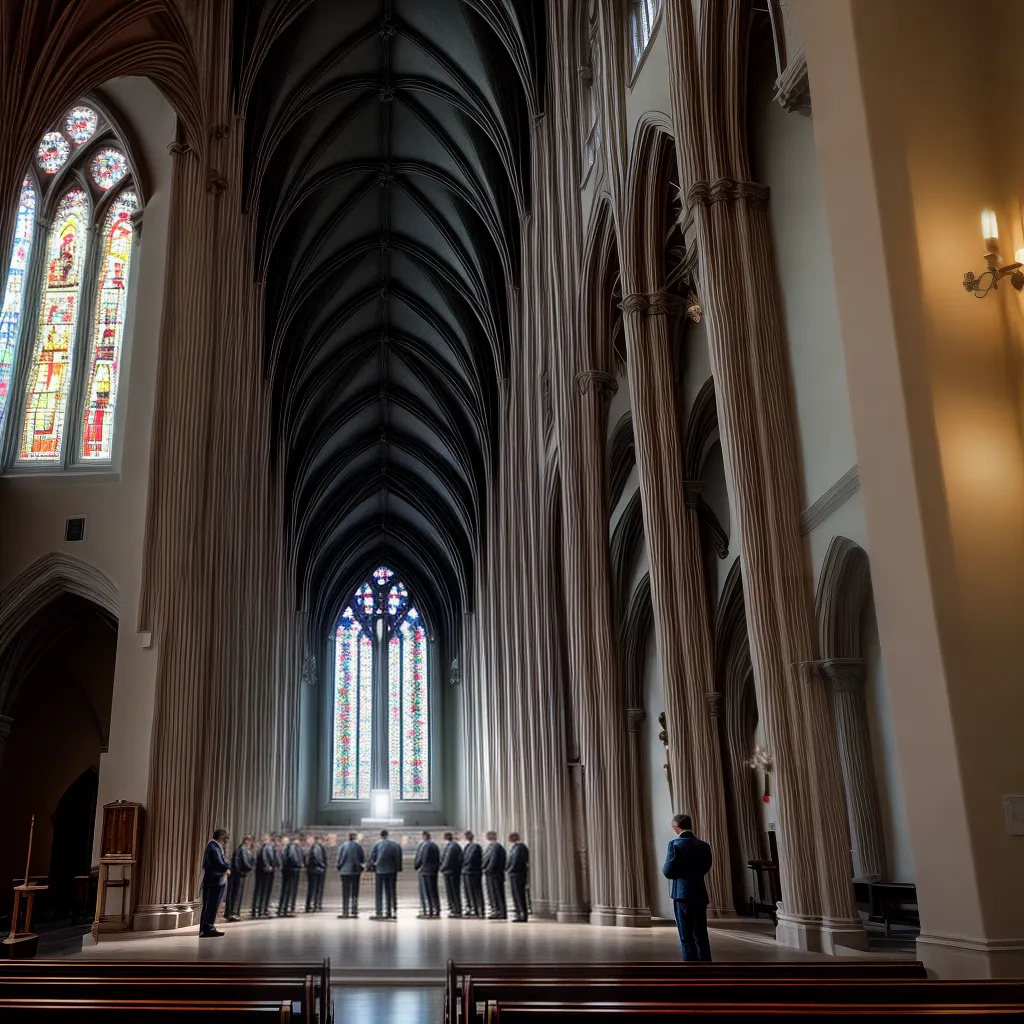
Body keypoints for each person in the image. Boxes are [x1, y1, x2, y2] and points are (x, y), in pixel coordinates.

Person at [662, 812, 713, 962]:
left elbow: (668, 871)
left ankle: (691, 969)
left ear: (676, 827)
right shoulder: (704, 845)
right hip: (699, 892)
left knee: (686, 936)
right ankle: (706, 966)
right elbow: (706, 867)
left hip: (682, 894)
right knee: (701, 934)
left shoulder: (675, 844)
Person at [199, 828, 230, 938]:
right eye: (226, 837)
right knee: (210, 906)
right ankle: (207, 928)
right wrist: (230, 865)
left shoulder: (215, 846)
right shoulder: (214, 846)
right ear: (222, 836)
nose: (227, 839)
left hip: (215, 881)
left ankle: (209, 927)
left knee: (213, 906)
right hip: (213, 882)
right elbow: (219, 864)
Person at [368, 829, 403, 920]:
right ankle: (392, 911)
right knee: (391, 891)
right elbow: (399, 857)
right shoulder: (395, 845)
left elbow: (372, 858)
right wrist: (398, 868)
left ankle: (379, 912)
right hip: (392, 871)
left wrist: (371, 867)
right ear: (388, 835)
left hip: (379, 871)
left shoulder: (377, 845)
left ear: (381, 835)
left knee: (379, 892)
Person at [225, 834, 255, 922]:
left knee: (233, 894)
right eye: (250, 841)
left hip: (235, 874)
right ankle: (234, 914)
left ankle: (229, 913)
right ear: (247, 841)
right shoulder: (243, 848)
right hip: (239, 874)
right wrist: (251, 868)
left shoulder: (241, 848)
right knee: (237, 895)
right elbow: (245, 862)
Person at [336, 832, 365, 918]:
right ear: (355, 837)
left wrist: (339, 867)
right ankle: (354, 910)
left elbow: (340, 858)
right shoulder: (358, 846)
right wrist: (361, 868)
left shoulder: (343, 846)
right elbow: (361, 858)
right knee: (355, 892)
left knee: (345, 892)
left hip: (344, 872)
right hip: (355, 872)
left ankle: (345, 910)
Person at [414, 830, 441, 919]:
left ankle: (428, 911)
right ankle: (436, 909)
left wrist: (417, 866)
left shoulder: (425, 845)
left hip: (425, 871)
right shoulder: (434, 845)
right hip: (433, 871)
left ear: (424, 836)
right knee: (434, 891)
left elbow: (422, 858)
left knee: (426, 892)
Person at [481, 830, 507, 919]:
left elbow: (493, 860)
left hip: (495, 874)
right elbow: (485, 859)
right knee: (491, 893)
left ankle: (500, 911)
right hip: (490, 874)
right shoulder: (490, 847)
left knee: (497, 893)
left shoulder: (496, 847)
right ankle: (495, 910)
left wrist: (488, 869)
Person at [252, 832, 277, 918]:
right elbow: (267, 858)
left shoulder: (261, 848)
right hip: (266, 872)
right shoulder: (267, 847)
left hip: (260, 872)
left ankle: (257, 910)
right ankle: (262, 910)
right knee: (265, 891)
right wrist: (269, 866)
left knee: (259, 891)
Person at [506, 832, 529, 923]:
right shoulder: (515, 848)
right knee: (515, 895)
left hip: (518, 874)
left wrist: (510, 869)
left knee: (520, 895)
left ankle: (523, 914)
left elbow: (517, 861)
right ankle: (519, 913)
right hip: (514, 874)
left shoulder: (520, 847)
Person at [278, 833, 303, 917]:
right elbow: (293, 856)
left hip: (287, 869)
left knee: (286, 889)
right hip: (292, 869)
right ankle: (287, 908)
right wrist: (298, 864)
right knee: (290, 889)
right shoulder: (293, 846)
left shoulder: (289, 847)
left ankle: (283, 908)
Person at [439, 831, 463, 918]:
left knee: (454, 891)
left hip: (452, 872)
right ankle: (453, 909)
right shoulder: (450, 846)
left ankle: (456, 909)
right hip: (449, 872)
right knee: (451, 892)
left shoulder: (452, 847)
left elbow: (448, 860)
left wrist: (441, 868)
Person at [461, 830, 484, 918]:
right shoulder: (467, 846)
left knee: (475, 892)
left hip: (473, 872)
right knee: (468, 892)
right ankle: (471, 908)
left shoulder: (475, 846)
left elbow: (470, 859)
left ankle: (478, 909)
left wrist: (464, 864)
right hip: (467, 872)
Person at [305, 834, 327, 913]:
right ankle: (315, 905)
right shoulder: (317, 847)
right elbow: (318, 858)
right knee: (316, 888)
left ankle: (311, 905)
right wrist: (322, 865)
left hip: (312, 870)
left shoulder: (312, 847)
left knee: (312, 888)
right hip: (316, 870)